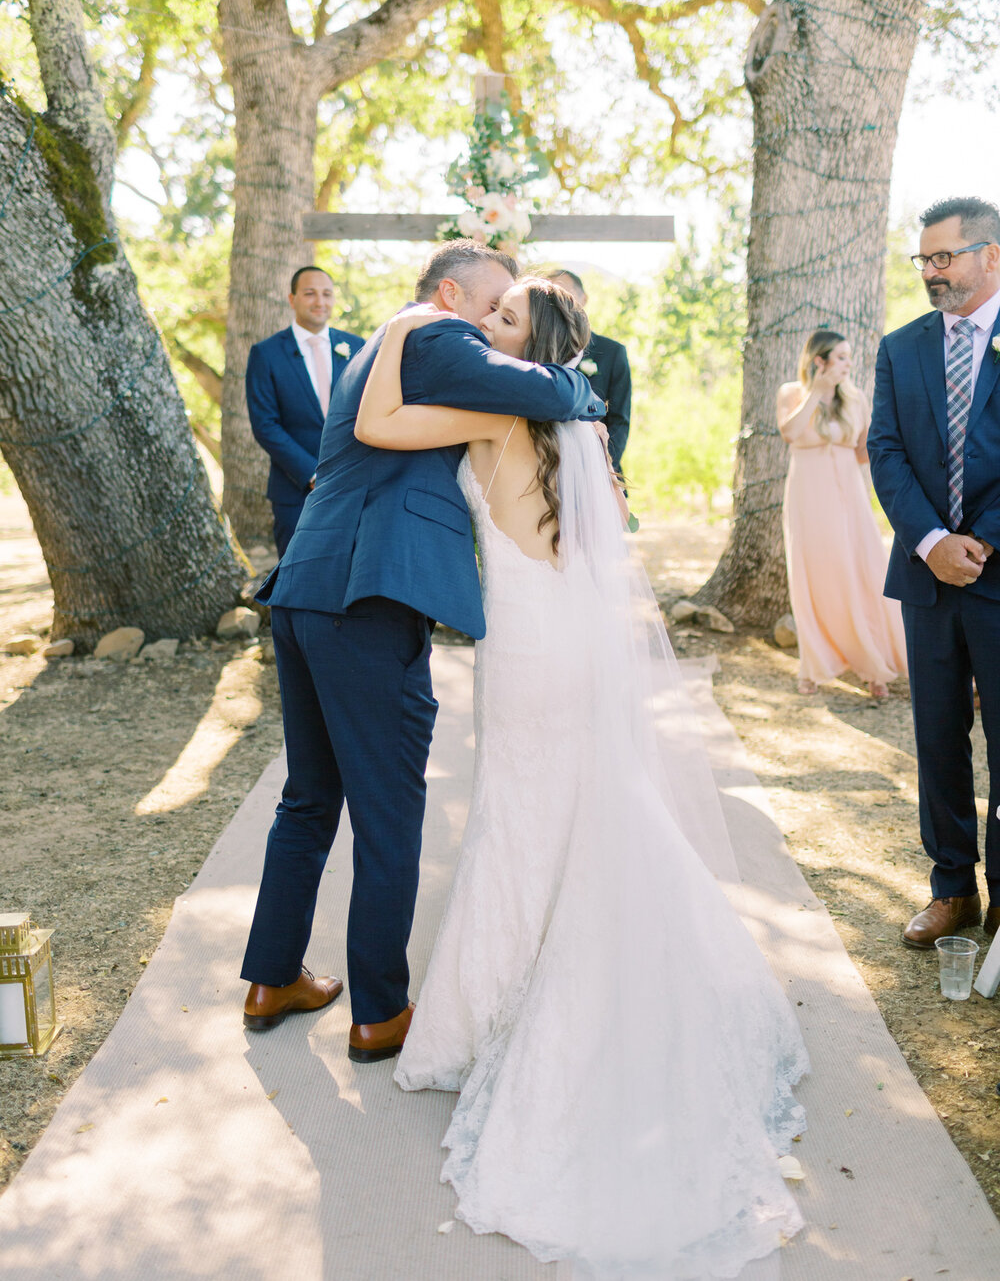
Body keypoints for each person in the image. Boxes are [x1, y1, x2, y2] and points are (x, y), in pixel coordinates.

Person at [355, 277, 809, 1281]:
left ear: (531, 344)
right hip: (578, 643)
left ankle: (492, 1016)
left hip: (523, 650)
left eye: (502, 320)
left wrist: (397, 330)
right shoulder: (581, 421)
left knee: (518, 818)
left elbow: (379, 420)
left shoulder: (495, 406)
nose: (485, 328)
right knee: (585, 810)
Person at [240, 242, 605, 1058]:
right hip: (368, 599)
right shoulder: (435, 332)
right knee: (389, 812)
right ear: (452, 293)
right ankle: (379, 1010)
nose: (491, 326)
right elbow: (544, 387)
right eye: (492, 306)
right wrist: (580, 382)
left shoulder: (387, 351)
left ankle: (272, 976)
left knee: (310, 796)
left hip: (307, 590)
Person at [869, 196, 1000, 950]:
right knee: (938, 737)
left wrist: (978, 542)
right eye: (923, 259)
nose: (931, 272)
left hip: (999, 573)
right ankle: (953, 888)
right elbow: (886, 450)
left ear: (990, 256)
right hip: (927, 578)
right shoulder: (902, 347)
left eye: (944, 257)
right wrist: (928, 541)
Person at [777, 329, 906, 698]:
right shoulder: (792, 393)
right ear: (821, 360)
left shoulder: (856, 398)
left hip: (849, 494)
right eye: (842, 358)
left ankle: (874, 667)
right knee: (813, 576)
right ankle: (814, 666)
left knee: (862, 572)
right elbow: (790, 432)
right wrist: (817, 392)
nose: (849, 365)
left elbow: (865, 450)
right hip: (809, 496)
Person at [245, 266, 364, 555]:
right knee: (294, 579)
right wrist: (311, 474)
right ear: (292, 298)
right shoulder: (266, 354)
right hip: (294, 491)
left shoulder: (357, 346)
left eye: (327, 294)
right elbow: (265, 425)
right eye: (310, 293)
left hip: (352, 488)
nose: (320, 301)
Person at [547, 267, 631, 473]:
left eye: (564, 294)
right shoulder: (537, 351)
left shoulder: (612, 352)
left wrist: (604, 464)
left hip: (598, 467)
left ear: (583, 299)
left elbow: (619, 420)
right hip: (549, 467)